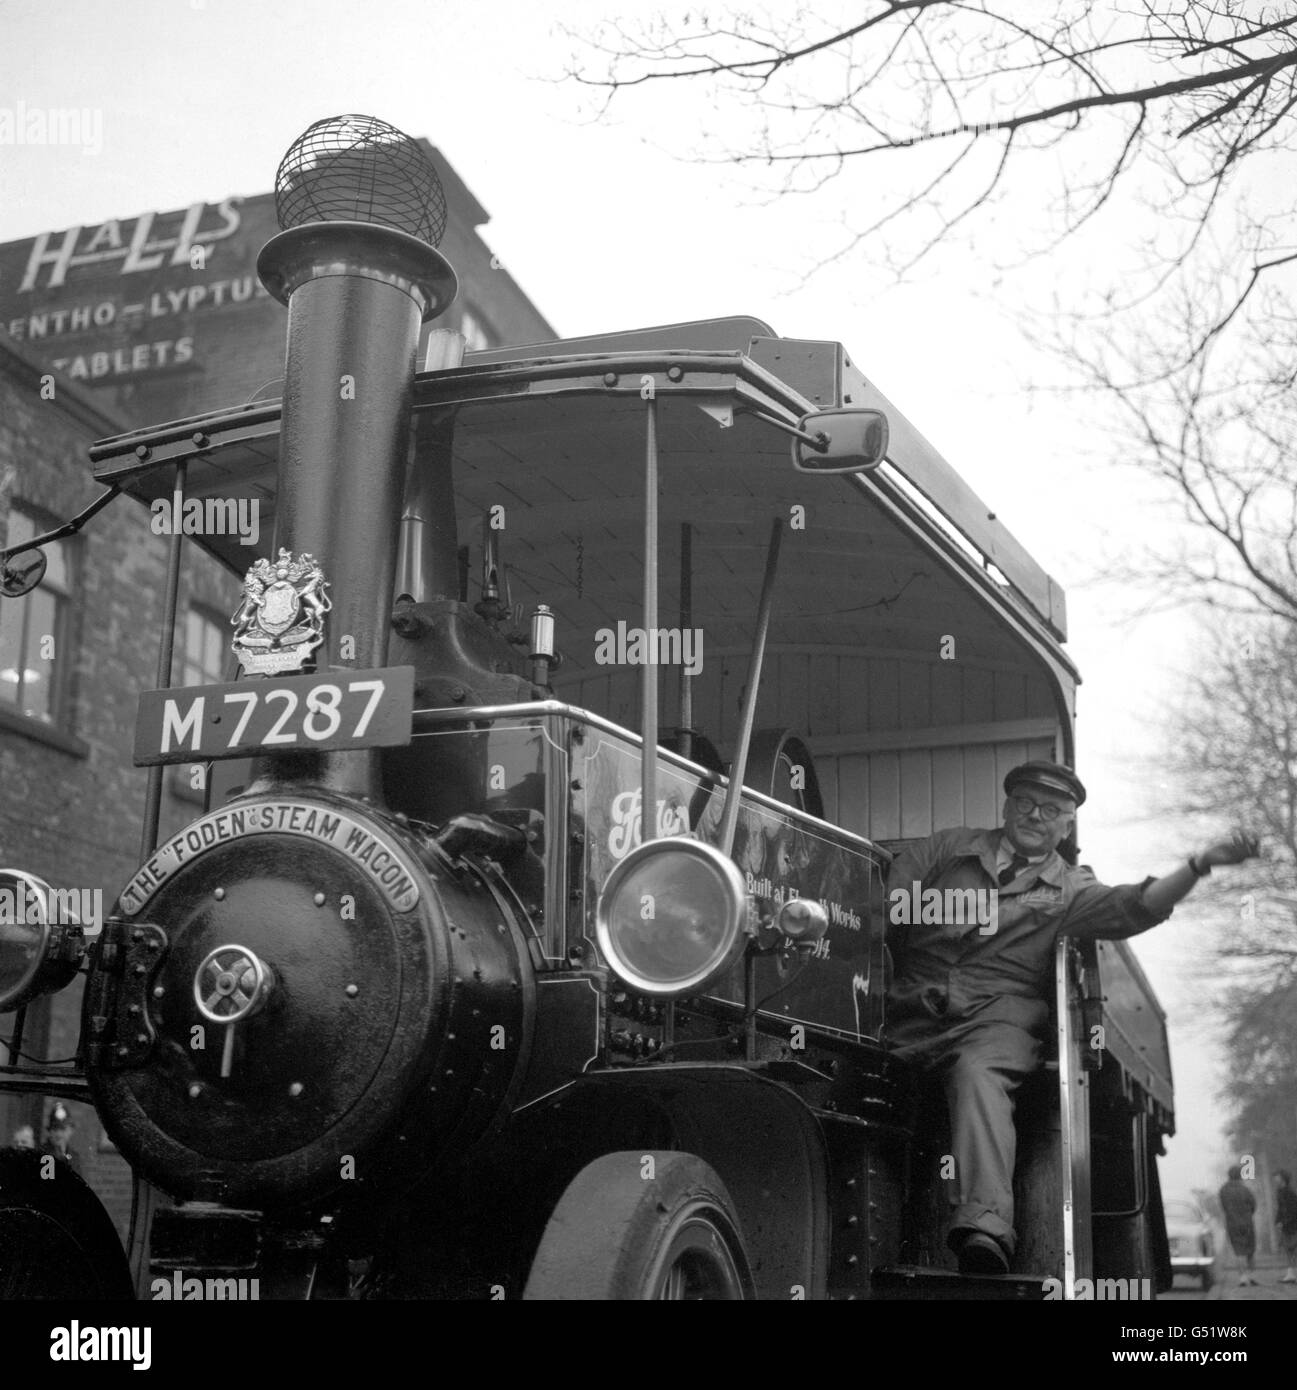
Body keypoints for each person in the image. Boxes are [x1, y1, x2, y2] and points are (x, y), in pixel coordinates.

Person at [886, 759, 1259, 1275]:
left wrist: (1197, 865)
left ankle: (985, 1230)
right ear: (1007, 804)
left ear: (1067, 825)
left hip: (997, 1022)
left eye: (1052, 809)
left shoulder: (1071, 889)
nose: (1035, 815)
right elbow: (885, 899)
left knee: (977, 1075)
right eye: (1025, 802)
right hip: (909, 1012)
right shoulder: (948, 848)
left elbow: (1137, 905)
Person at [1218, 1165, 1258, 1285]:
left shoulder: (1223, 1190)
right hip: (1247, 1223)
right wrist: (1247, 1214)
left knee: (1239, 1251)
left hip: (1232, 1224)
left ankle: (1242, 1278)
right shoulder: (1244, 1189)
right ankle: (1251, 1276)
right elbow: (1253, 1205)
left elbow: (1223, 1206)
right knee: (1250, 1250)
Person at [40, 1102, 82, 1177]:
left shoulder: (74, 1157)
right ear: (49, 1131)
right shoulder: (41, 1154)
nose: (58, 1134)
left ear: (70, 1130)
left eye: (62, 1129)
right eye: (55, 1129)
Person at [1274, 1169, 1297, 1285]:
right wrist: (1277, 1221)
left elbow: (1293, 1211)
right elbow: (1280, 1209)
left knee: (1292, 1249)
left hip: (1292, 1225)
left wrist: (1284, 1222)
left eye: (1277, 1176)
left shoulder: (1290, 1193)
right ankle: (1291, 1274)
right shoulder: (1280, 1192)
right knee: (1289, 1250)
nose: (1275, 1178)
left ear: (1283, 1179)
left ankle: (1291, 1274)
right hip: (1286, 1225)